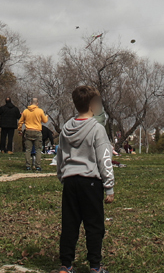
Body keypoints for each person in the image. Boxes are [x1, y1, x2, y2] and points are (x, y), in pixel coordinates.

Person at [56, 85, 115, 273]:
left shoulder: (66, 128)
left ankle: (66, 265)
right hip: (91, 181)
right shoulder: (97, 129)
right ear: (92, 105)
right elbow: (104, 158)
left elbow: (61, 155)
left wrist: (62, 176)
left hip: (70, 181)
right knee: (94, 225)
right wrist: (109, 186)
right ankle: (95, 267)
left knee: (69, 224)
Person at [18, 97, 50, 171]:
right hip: (37, 131)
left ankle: (28, 166)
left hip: (28, 131)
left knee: (28, 149)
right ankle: (38, 166)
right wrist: (46, 116)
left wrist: (20, 130)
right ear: (37, 103)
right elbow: (44, 121)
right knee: (38, 149)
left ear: (30, 103)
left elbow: (20, 122)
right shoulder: (40, 111)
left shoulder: (25, 111)